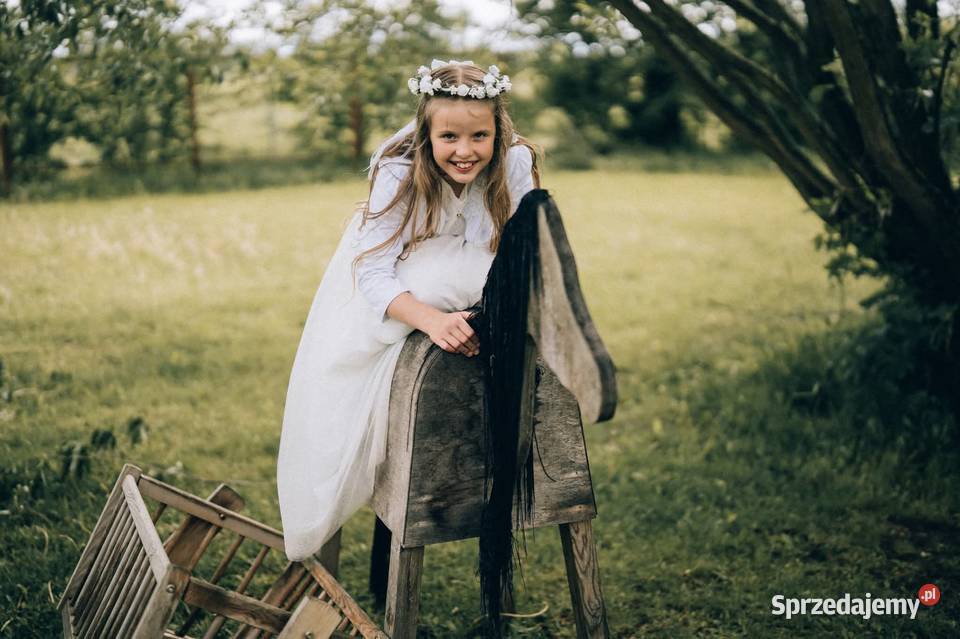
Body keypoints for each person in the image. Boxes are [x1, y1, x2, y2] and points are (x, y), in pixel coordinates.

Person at [277, 60, 541, 561]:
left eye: (479, 136)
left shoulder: (514, 164)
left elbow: (524, 248)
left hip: (479, 301)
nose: (465, 151)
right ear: (427, 132)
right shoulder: (398, 171)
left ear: (498, 131)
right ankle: (320, 565)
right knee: (335, 427)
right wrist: (432, 320)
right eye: (449, 137)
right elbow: (373, 272)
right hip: (391, 301)